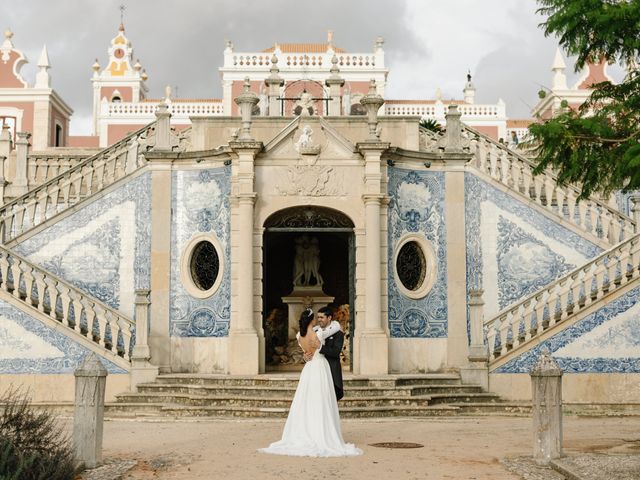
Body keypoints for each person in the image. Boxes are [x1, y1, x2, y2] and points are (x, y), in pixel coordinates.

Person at [259, 308, 362, 457]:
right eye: (316, 317)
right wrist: (318, 346)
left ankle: (307, 432)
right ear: (311, 319)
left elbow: (309, 351)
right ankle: (321, 434)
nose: (318, 320)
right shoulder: (318, 333)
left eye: (321, 317)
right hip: (320, 368)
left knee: (307, 402)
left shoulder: (299, 336)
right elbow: (330, 332)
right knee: (321, 402)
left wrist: (307, 356)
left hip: (309, 369)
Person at [308, 306, 343, 400]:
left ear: (329, 318)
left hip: (331, 371)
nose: (319, 320)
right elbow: (309, 350)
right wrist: (306, 356)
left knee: (330, 402)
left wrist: (320, 347)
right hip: (317, 372)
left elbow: (336, 352)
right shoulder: (314, 331)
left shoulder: (338, 333)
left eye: (322, 317)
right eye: (318, 317)